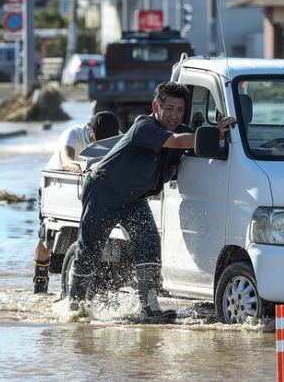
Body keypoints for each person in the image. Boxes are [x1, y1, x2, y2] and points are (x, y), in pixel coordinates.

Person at [67, 82, 235, 320]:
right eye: (169, 108)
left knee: (149, 242)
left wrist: (221, 134)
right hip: (104, 191)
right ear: (156, 107)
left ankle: (149, 306)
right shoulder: (143, 127)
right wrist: (212, 133)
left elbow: (194, 143)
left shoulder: (183, 130)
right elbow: (177, 141)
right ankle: (75, 307)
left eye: (180, 110)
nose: (174, 115)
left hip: (135, 198)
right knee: (90, 249)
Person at [33, 111, 121, 294]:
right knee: (45, 240)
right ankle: (40, 279)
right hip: (56, 186)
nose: (102, 144)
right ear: (90, 131)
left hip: (92, 189)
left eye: (107, 140)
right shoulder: (73, 134)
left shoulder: (118, 137)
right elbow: (67, 162)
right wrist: (85, 168)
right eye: (99, 139)